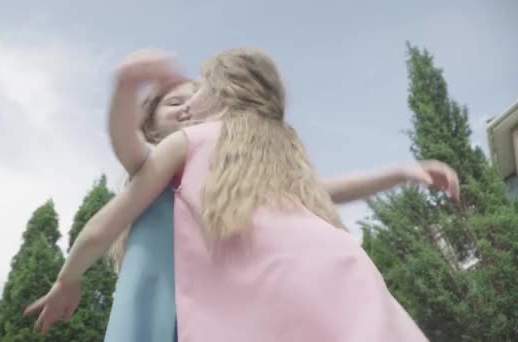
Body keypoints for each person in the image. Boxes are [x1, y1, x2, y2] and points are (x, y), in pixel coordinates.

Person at [24, 48, 457, 340]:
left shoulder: (216, 154)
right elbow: (124, 141)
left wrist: (401, 171)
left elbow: (323, 189)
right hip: (309, 280)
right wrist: (125, 88)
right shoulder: (159, 157)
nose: (189, 106)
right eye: (175, 103)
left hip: (234, 303)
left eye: (197, 95)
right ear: (150, 126)